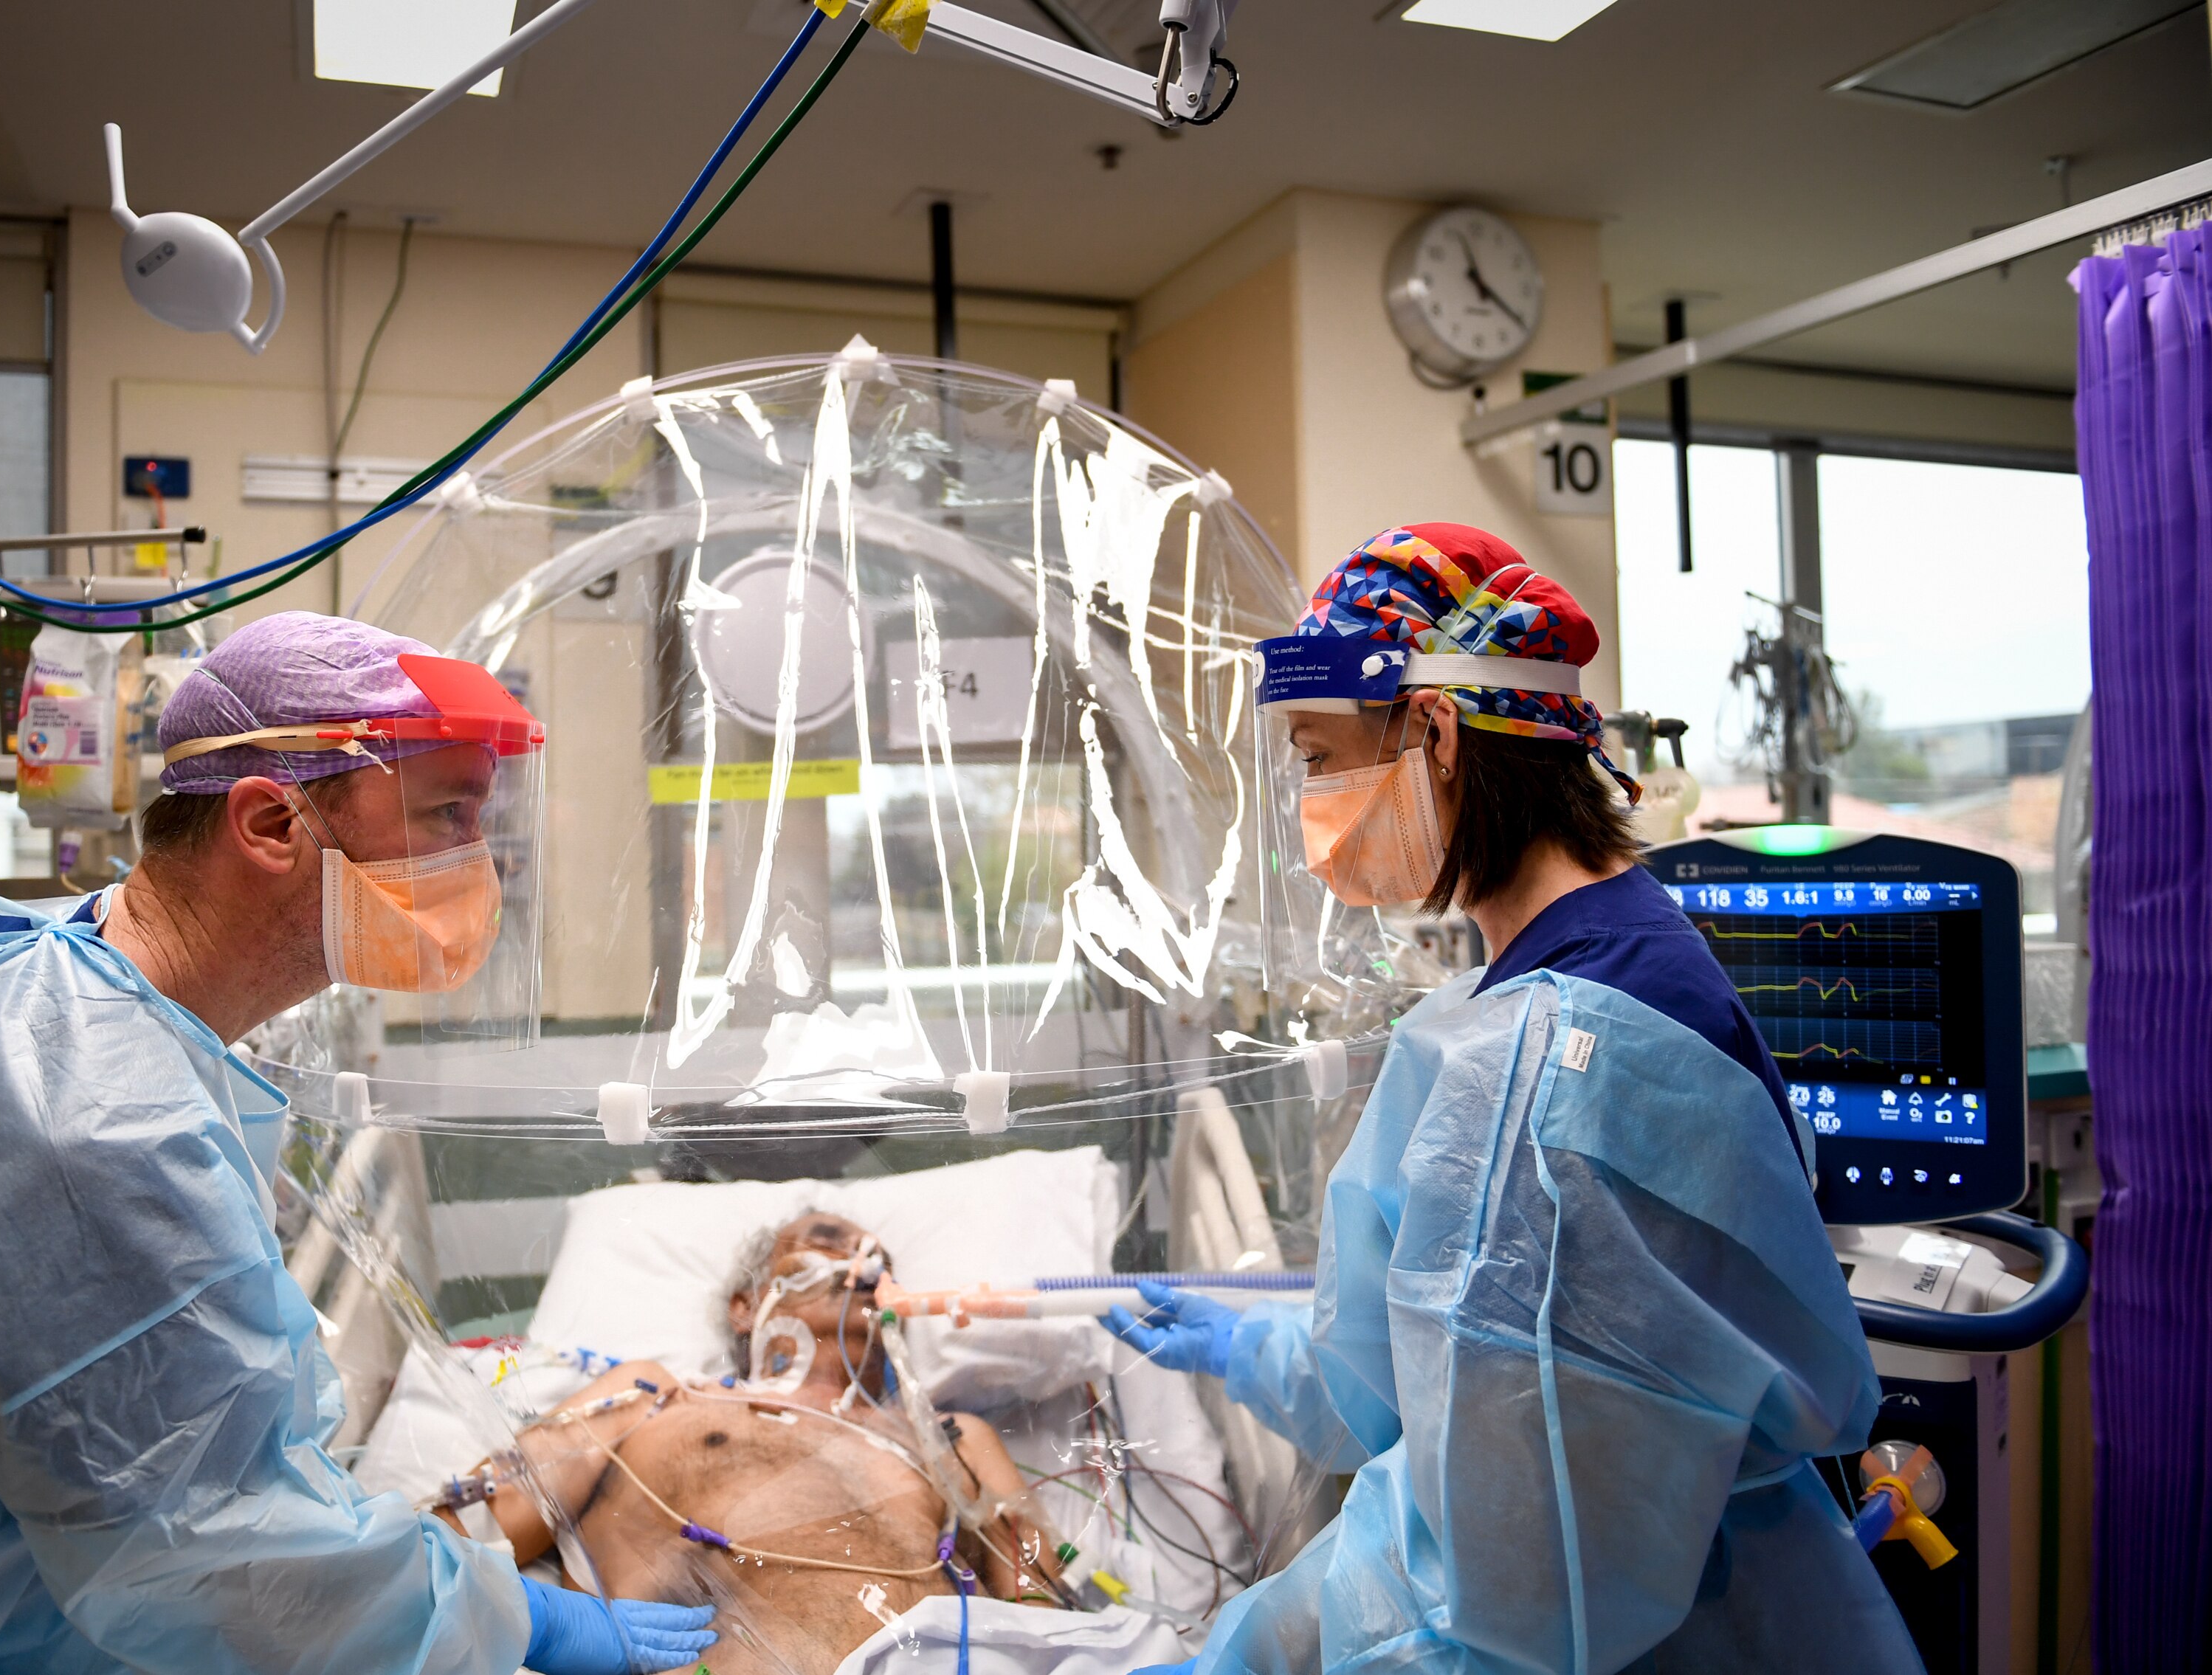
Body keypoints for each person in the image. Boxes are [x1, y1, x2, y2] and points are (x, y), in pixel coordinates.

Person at [0, 612, 713, 1675]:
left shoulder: (61, 969)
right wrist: (500, 1619)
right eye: (445, 816)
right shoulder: (94, 1120)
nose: (482, 867)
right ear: (272, 825)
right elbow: (225, 1552)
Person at [1103, 526, 1920, 1675]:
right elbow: (1424, 1383)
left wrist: (1245, 1658)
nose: (1313, 803)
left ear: (1433, 731)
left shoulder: (1557, 1061)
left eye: (1321, 757)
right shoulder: (1600, 958)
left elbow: (1500, 1605)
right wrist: (1250, 1350)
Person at [459, 1212, 1102, 1675]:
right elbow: (452, 1544)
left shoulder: (952, 1440)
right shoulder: (652, 1397)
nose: (859, 1260)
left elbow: (1043, 1622)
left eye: (877, 1256)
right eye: (826, 1243)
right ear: (746, 1306)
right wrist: (540, 1621)